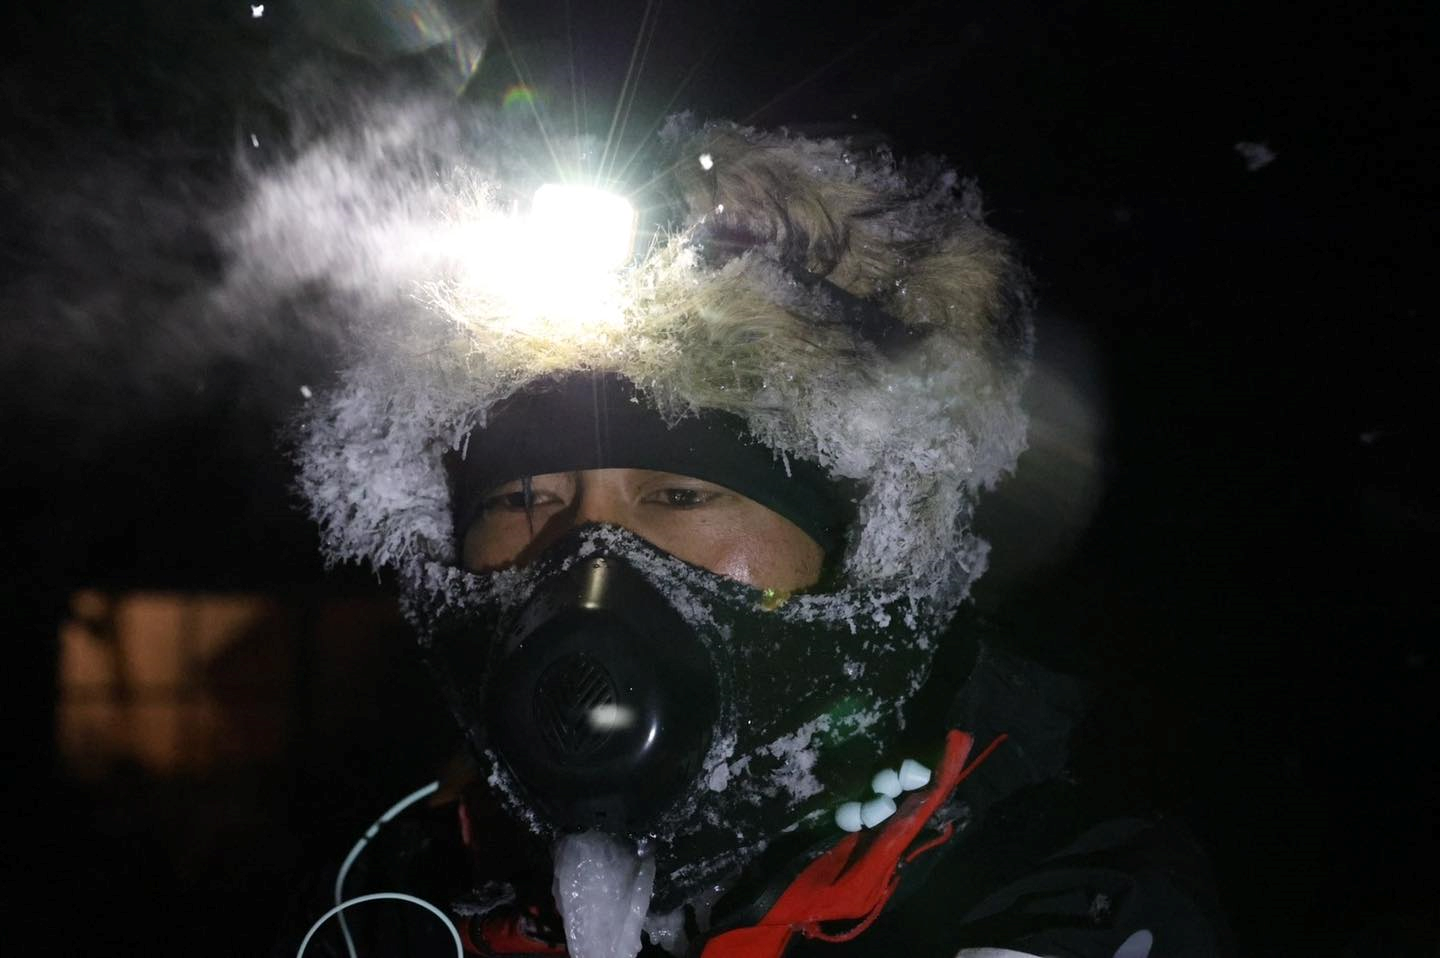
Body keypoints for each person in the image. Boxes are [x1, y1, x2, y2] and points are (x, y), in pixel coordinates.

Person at [268, 108, 1231, 957]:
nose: (588, 556)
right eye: (521, 500)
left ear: (853, 545)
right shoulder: (390, 906)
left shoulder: (1052, 885)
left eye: (680, 496)